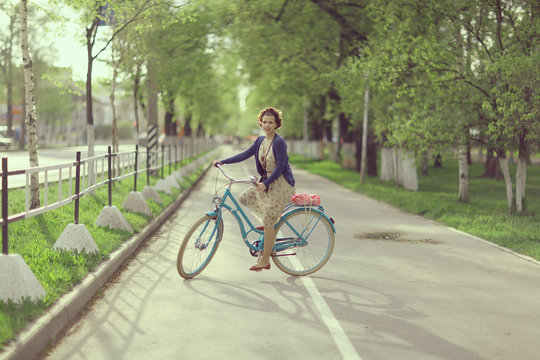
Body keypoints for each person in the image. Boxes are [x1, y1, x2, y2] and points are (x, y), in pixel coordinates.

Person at [213, 107, 295, 272]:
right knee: (245, 197)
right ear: (261, 122)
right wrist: (224, 162)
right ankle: (268, 224)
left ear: (276, 124)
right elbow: (244, 154)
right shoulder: (259, 141)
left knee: (269, 220)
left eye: (270, 122)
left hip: (281, 184)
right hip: (267, 182)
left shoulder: (279, 142)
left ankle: (265, 260)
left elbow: (280, 166)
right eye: (264, 122)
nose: (267, 125)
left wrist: (266, 183)